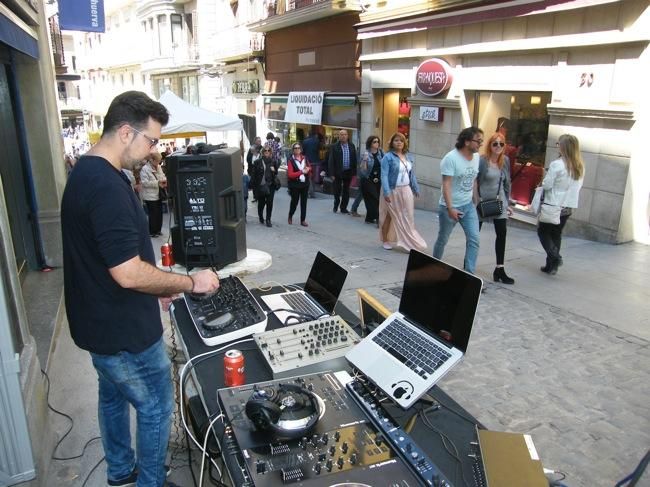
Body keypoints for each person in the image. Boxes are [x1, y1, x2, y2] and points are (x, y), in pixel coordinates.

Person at [60, 90, 219, 487]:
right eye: (151, 140)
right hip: (123, 331)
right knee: (155, 407)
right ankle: (150, 481)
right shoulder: (106, 187)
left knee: (113, 397)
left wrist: (156, 287)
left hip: (99, 325)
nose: (153, 150)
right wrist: (188, 282)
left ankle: (119, 471)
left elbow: (111, 258)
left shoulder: (88, 171)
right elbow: (128, 273)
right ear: (126, 132)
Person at [433, 127, 483, 274]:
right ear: (467, 141)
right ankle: (433, 265)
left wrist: (476, 200)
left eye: (481, 141)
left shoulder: (477, 157)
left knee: (474, 239)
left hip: (468, 206)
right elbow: (446, 184)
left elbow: (473, 179)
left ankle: (469, 273)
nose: (480, 144)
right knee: (443, 239)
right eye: (478, 141)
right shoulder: (450, 158)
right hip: (449, 207)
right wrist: (450, 208)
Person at [537, 134, 585, 275]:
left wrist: (543, 181)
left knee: (543, 231)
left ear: (564, 147)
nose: (557, 146)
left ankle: (555, 258)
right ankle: (551, 266)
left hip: (554, 204)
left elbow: (547, 185)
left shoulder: (557, 164)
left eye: (558, 143)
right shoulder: (579, 165)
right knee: (556, 234)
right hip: (568, 206)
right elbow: (578, 187)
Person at [379, 132, 426, 252]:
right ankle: (385, 240)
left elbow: (412, 174)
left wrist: (415, 188)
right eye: (396, 140)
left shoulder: (408, 156)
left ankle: (410, 241)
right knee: (390, 216)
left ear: (404, 142)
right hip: (392, 190)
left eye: (401, 140)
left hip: (406, 190)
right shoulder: (387, 157)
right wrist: (386, 192)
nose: (399, 142)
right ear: (392, 143)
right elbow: (384, 175)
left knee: (408, 216)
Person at [478, 132, 515, 284]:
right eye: (495, 144)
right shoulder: (482, 161)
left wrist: (508, 203)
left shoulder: (505, 161)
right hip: (481, 204)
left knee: (502, 234)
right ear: (490, 146)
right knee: (474, 235)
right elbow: (475, 182)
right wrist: (475, 200)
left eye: (501, 144)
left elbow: (507, 184)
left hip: (499, 202)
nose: (498, 146)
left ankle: (500, 269)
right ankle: (469, 265)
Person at [328, 129, 357, 214]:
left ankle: (343, 208)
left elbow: (354, 159)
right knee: (337, 190)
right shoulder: (334, 146)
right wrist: (332, 173)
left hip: (348, 171)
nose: (343, 136)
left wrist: (354, 173)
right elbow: (331, 161)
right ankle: (336, 206)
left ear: (347, 136)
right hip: (337, 172)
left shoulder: (352, 146)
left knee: (346, 191)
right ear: (339, 136)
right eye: (341, 134)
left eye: (345, 134)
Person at [140, 151, 167, 237]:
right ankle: (152, 231)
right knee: (153, 214)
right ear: (152, 160)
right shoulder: (145, 169)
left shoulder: (158, 167)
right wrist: (157, 182)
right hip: (150, 195)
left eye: (159, 162)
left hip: (158, 193)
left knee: (159, 213)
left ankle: (158, 230)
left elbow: (163, 176)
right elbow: (144, 183)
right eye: (157, 161)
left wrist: (163, 180)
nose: (158, 163)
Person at [252, 145, 279, 227]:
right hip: (261, 186)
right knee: (261, 203)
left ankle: (268, 219)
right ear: (262, 152)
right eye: (265, 151)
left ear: (271, 152)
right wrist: (254, 188)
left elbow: (276, 173)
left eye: (268, 151)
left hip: (271, 185)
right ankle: (260, 216)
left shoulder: (273, 162)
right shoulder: (258, 162)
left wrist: (274, 171)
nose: (267, 152)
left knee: (270, 202)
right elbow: (254, 175)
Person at [359, 135, 384, 224]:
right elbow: (363, 170)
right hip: (367, 179)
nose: (377, 143)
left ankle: (369, 218)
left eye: (377, 141)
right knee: (375, 198)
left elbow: (384, 165)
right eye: (374, 142)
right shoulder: (365, 154)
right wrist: (365, 160)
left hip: (378, 179)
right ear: (370, 143)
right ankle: (378, 218)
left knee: (373, 199)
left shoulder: (381, 153)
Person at [286, 142, 311, 226]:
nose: (297, 149)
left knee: (304, 203)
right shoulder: (291, 160)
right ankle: (290, 215)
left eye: (298, 148)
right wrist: (301, 172)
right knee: (294, 202)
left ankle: (303, 220)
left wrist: (308, 169)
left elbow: (309, 167)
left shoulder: (305, 158)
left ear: (301, 149)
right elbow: (290, 174)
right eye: (295, 148)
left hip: (305, 184)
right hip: (295, 185)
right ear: (293, 150)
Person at [302, 129, 321, 198]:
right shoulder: (317, 141)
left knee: (308, 177)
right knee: (313, 178)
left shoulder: (305, 141)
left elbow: (303, 152)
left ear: (308, 134)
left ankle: (310, 192)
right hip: (315, 162)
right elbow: (318, 150)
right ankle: (312, 192)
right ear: (314, 134)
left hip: (307, 162)